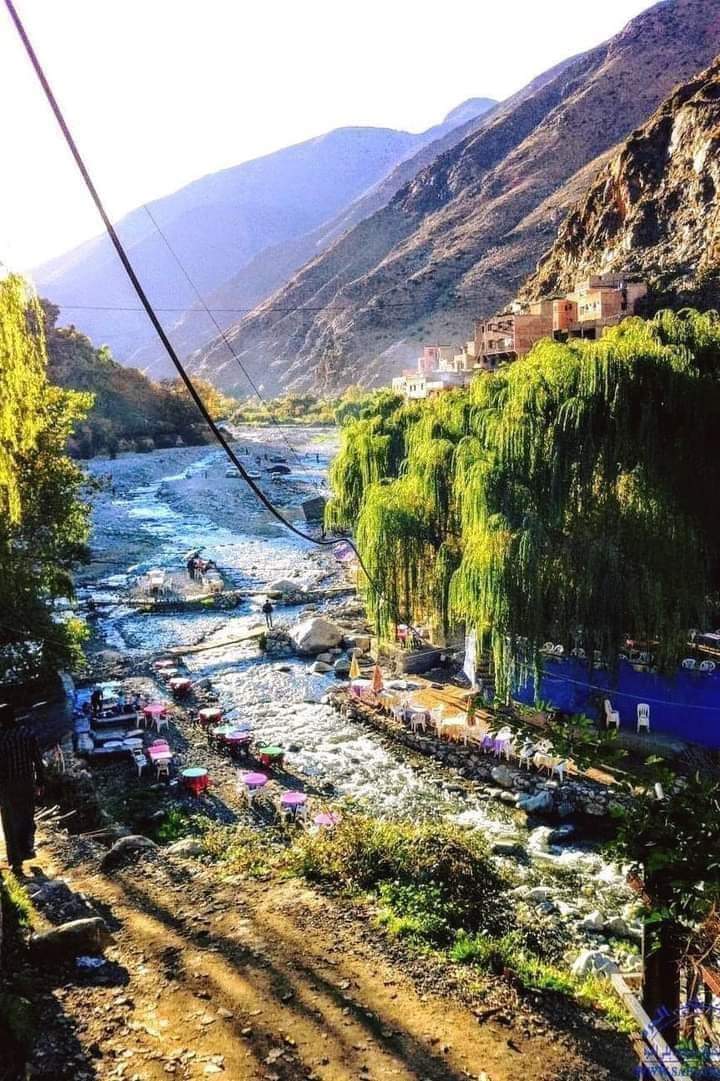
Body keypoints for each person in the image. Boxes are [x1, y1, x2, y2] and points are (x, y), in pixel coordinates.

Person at [0, 704, 45, 875]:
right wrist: (41, 781)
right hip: (26, 782)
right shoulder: (27, 734)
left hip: (6, 785)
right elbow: (37, 760)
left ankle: (15, 861)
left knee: (9, 822)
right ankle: (26, 849)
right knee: (26, 817)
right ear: (14, 717)